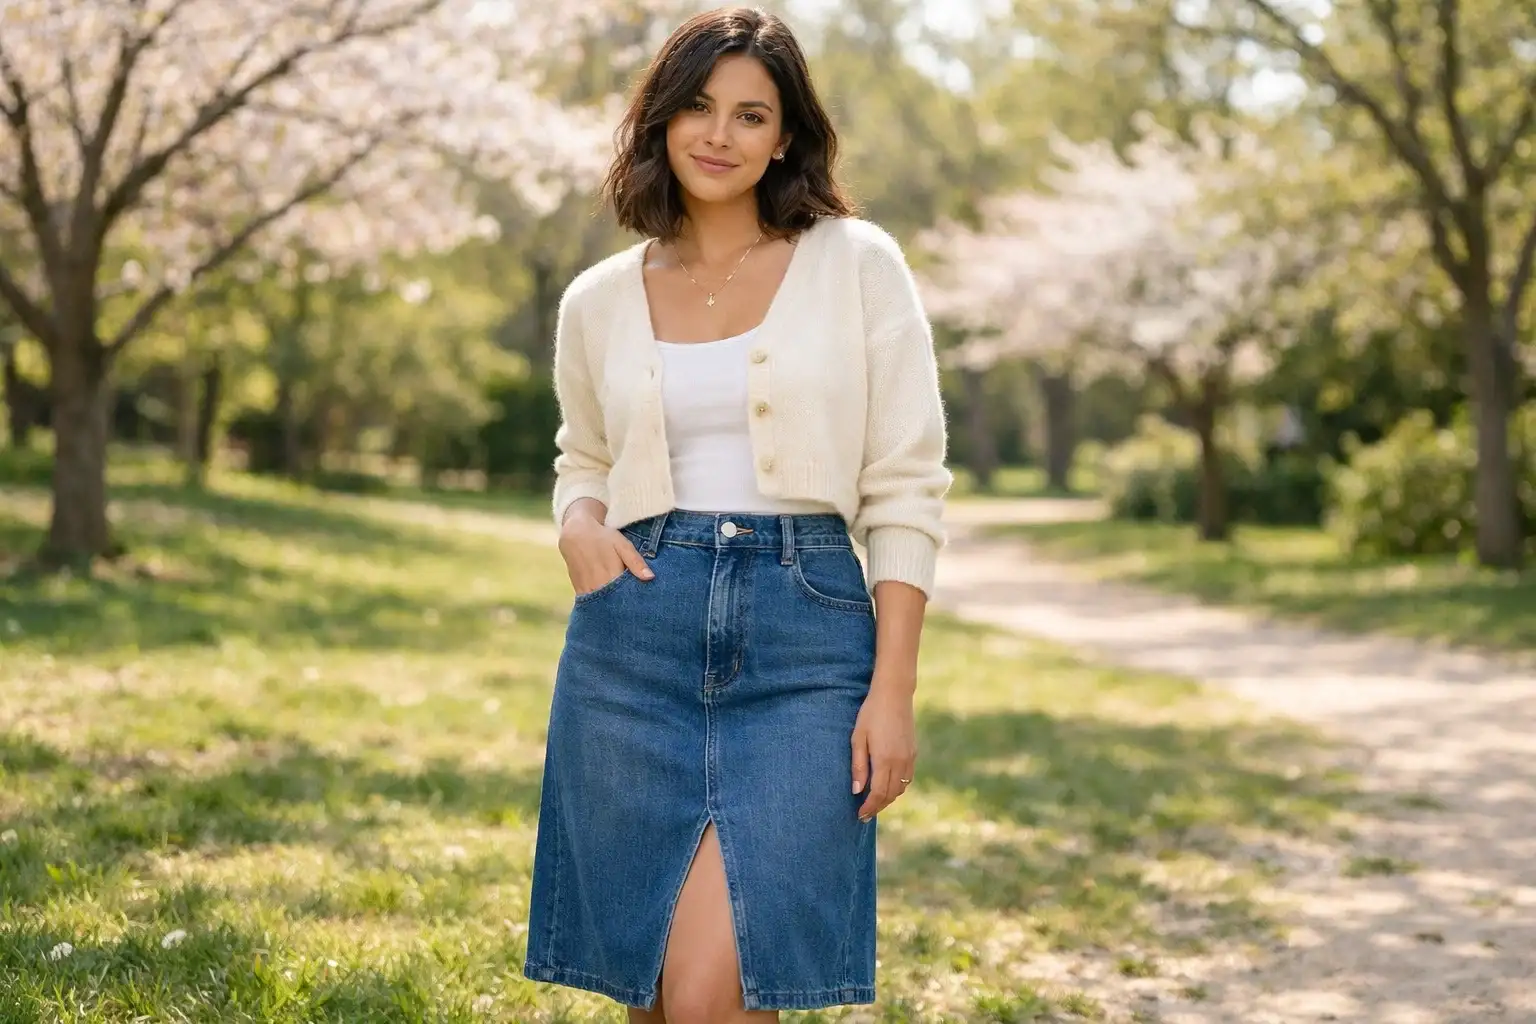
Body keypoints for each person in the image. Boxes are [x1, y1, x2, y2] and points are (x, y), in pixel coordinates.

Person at [521, 6, 951, 1021]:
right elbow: (582, 455)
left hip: (806, 640)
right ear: (662, 121)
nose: (720, 135)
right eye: (699, 108)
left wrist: (893, 691)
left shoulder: (857, 264)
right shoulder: (598, 298)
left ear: (787, 135)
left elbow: (906, 484)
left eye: (752, 115)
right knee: (652, 984)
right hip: (635, 636)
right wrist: (579, 521)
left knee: (717, 988)